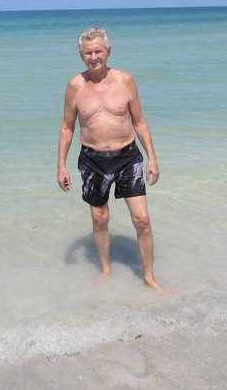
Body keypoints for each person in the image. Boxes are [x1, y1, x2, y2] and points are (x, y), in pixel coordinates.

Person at [57, 27, 169, 296]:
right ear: (81, 55)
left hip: (127, 157)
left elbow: (139, 121)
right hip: (93, 159)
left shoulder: (125, 80)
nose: (93, 57)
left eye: (98, 51)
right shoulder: (75, 86)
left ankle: (149, 277)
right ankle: (106, 269)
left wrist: (152, 158)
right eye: (88, 52)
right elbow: (67, 127)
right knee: (99, 218)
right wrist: (61, 165)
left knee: (142, 219)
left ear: (108, 51)